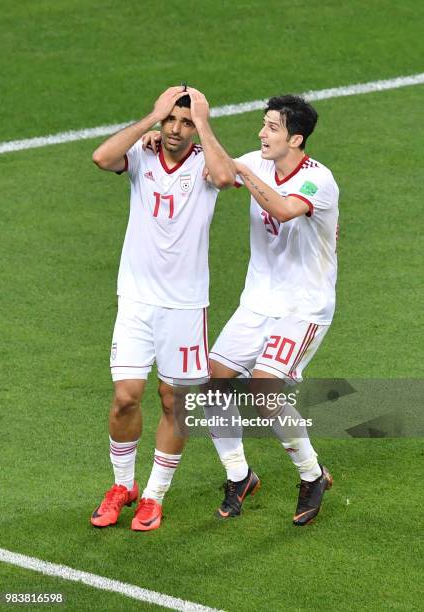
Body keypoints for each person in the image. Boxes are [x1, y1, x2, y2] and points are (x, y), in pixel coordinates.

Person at [90, 86, 236, 531]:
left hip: (185, 307)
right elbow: (101, 157)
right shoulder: (142, 153)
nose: (175, 129)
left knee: (173, 400)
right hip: (135, 300)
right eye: (170, 120)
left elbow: (227, 177)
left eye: (186, 122)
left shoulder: (206, 165)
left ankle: (154, 495)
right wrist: (148, 118)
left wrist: (205, 125)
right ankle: (122, 486)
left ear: (198, 127)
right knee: (124, 398)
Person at [205, 95, 339, 526]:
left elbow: (282, 210)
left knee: (264, 388)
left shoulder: (320, 181)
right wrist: (198, 128)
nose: (262, 134)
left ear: (296, 138)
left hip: (303, 307)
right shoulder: (255, 162)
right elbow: (218, 171)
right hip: (257, 302)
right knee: (213, 382)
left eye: (273, 128)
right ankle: (239, 475)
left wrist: (242, 170)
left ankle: (311, 474)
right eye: (263, 126)